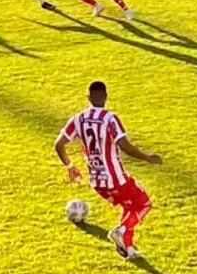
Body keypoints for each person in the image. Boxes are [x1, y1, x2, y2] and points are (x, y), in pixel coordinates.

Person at [54, 81, 162, 260]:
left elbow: (58, 144)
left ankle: (128, 249)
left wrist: (70, 166)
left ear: (88, 98)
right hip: (116, 179)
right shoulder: (109, 118)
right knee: (144, 204)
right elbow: (125, 146)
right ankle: (120, 232)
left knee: (129, 206)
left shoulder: (77, 119)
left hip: (98, 182)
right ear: (105, 96)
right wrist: (147, 158)